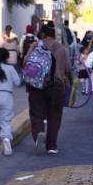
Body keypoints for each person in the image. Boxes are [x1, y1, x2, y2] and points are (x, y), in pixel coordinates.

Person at [23, 24, 72, 154]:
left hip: (36, 86)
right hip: (56, 86)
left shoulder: (35, 46)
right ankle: (51, 146)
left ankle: (39, 134)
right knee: (54, 115)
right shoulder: (61, 48)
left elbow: (25, 62)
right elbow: (67, 68)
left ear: (43, 34)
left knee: (36, 114)